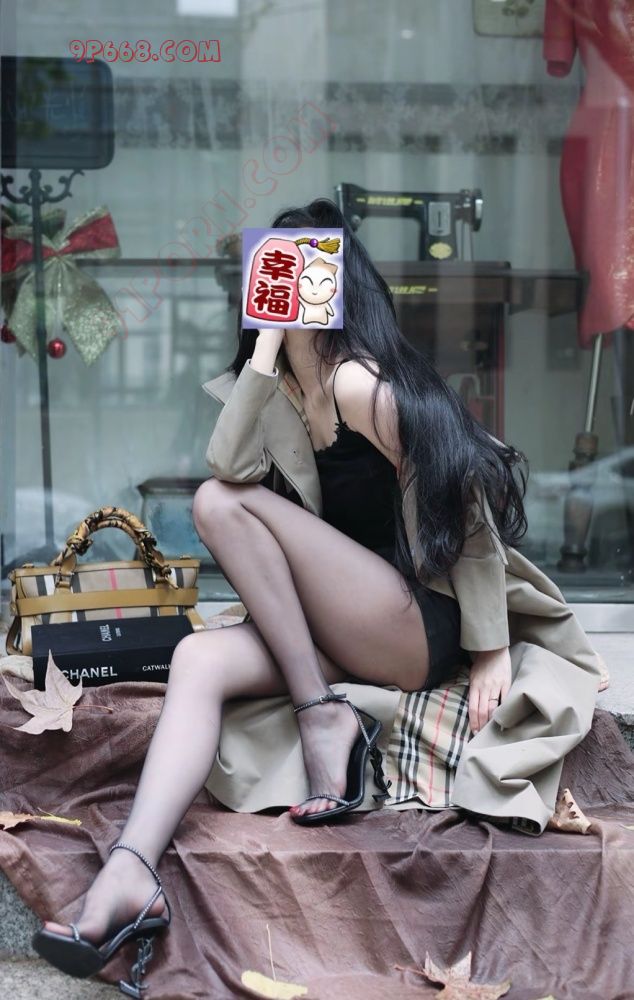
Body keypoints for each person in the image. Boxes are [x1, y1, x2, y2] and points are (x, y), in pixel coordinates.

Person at [30, 197, 595, 993]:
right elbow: (229, 461)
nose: (287, 281)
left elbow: (461, 494)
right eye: (272, 268)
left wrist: (491, 645)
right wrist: (265, 348)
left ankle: (321, 717)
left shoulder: (362, 384)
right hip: (339, 630)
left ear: (337, 280)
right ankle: (131, 873)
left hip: (412, 623)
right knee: (198, 659)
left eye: (302, 266)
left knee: (217, 506)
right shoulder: (274, 390)